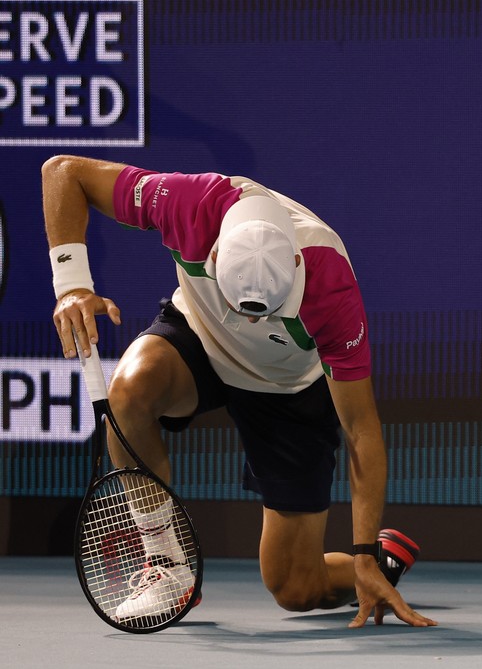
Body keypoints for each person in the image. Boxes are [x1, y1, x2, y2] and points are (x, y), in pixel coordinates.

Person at [42, 155, 436, 629]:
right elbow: (63, 172)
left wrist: (365, 553)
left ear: (295, 263)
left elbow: (361, 429)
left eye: (265, 310)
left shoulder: (331, 285)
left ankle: (381, 564)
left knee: (296, 589)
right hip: (201, 336)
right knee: (127, 394)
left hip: (287, 386)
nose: (250, 320)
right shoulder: (189, 203)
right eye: (242, 305)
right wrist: (71, 285)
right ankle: (167, 565)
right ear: (214, 256)